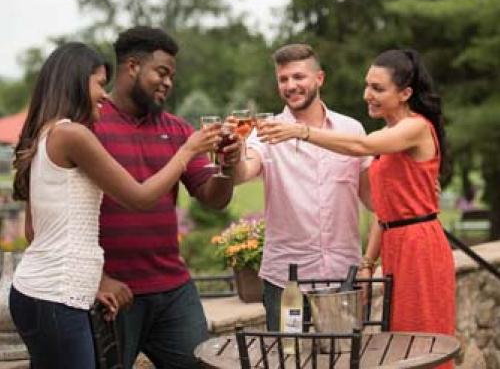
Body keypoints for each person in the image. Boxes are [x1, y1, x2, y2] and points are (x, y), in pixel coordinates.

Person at [9, 42, 224, 369]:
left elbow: (41, 229)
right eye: (98, 83)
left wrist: (91, 281)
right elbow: (139, 198)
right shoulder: (74, 136)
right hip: (55, 298)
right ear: (78, 82)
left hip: (46, 294)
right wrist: (186, 150)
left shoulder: (48, 133)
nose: (104, 94)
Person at [261, 49, 456, 352]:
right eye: (367, 85)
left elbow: (359, 145)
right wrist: (368, 262)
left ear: (405, 93)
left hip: (419, 246)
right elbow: (384, 209)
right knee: (399, 344)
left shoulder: (415, 127)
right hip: (395, 244)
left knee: (421, 342)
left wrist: (300, 131)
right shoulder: (389, 132)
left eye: (378, 88)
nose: (367, 94)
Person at [94, 26, 241, 369]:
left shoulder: (177, 129)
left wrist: (228, 166)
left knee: (206, 364)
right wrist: (99, 280)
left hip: (173, 289)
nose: (168, 83)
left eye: (172, 75)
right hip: (113, 293)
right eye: (161, 72)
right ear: (132, 67)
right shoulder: (91, 126)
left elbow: (213, 198)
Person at [233, 43, 372, 331]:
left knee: (342, 361)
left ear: (319, 78)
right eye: (283, 79)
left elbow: (375, 198)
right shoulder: (266, 130)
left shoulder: (352, 131)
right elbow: (242, 172)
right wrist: (231, 155)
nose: (290, 85)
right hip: (285, 281)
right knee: (287, 359)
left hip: (344, 278)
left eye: (298, 77)